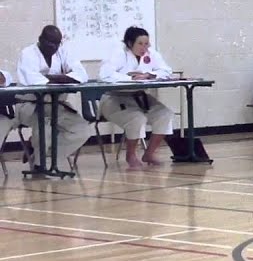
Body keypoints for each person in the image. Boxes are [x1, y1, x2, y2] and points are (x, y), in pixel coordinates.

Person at [98, 26, 176, 169]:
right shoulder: (118, 53)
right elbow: (104, 75)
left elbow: (166, 70)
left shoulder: (151, 54)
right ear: (129, 43)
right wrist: (130, 77)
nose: (144, 47)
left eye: (146, 44)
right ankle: (131, 155)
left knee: (165, 114)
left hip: (140, 98)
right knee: (137, 118)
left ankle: (149, 153)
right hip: (114, 99)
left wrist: (149, 75)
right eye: (140, 43)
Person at [14, 25, 93, 166]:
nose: (54, 47)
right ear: (40, 40)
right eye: (50, 43)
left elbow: (82, 75)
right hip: (30, 105)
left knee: (82, 130)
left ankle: (47, 158)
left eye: (57, 43)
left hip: (57, 105)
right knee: (44, 126)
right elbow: (33, 80)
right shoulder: (28, 53)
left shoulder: (63, 51)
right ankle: (40, 163)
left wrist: (61, 78)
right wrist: (62, 78)